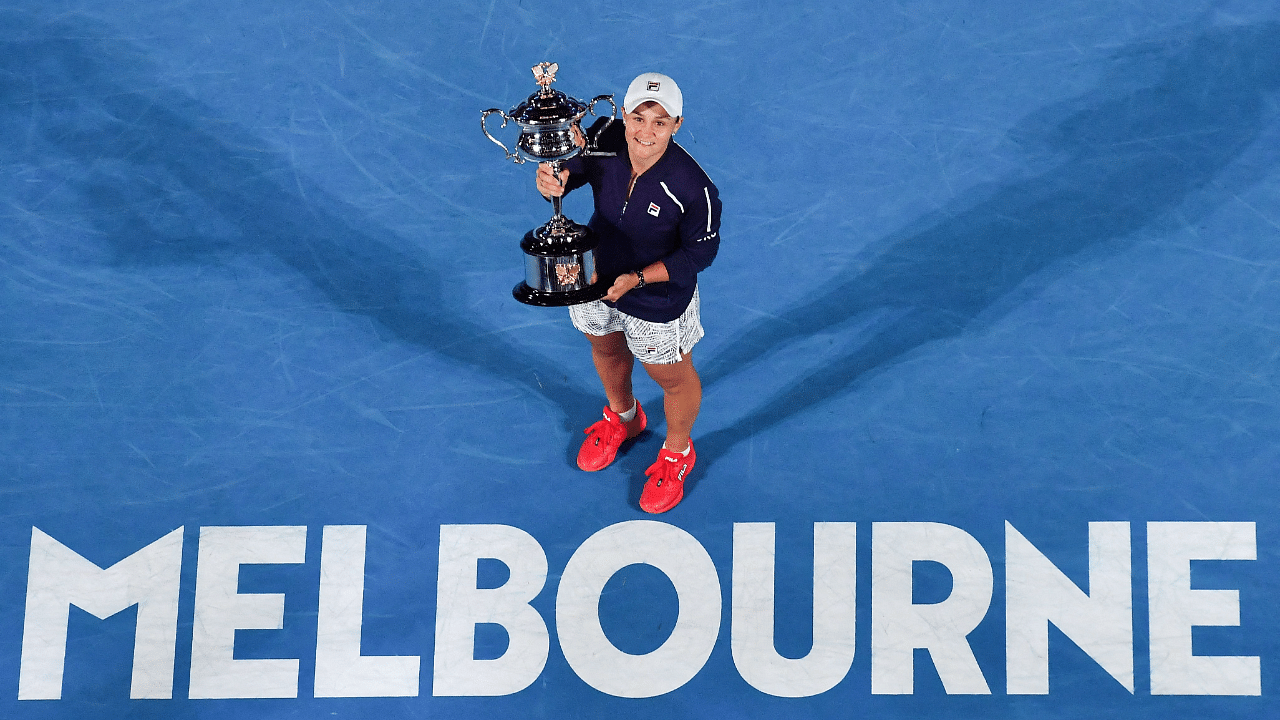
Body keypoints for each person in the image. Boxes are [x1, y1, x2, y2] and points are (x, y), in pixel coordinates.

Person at [535, 72, 721, 513]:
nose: (646, 132)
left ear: (677, 124)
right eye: (638, 117)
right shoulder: (603, 137)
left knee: (672, 379)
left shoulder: (695, 188)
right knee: (605, 349)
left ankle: (677, 452)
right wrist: (552, 180)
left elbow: (700, 254)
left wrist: (637, 280)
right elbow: (571, 171)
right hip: (594, 279)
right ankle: (624, 417)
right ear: (623, 115)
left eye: (660, 122)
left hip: (657, 298)